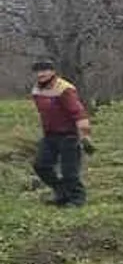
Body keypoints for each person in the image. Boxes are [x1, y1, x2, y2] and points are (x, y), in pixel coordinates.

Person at [29, 59, 93, 206]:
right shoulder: (37, 90)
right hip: (50, 135)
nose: (41, 74)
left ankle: (77, 199)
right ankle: (62, 193)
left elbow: (78, 112)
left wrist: (85, 135)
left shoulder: (64, 89)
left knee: (69, 171)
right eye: (38, 71)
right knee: (41, 166)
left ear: (53, 72)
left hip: (69, 135)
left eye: (45, 71)